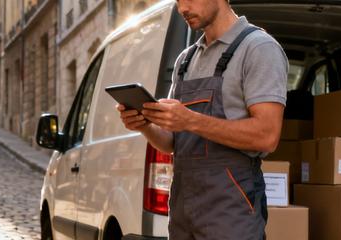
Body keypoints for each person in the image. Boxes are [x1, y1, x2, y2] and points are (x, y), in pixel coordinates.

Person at [116, 0, 288, 239]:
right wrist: (145, 125)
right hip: (183, 211)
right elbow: (171, 143)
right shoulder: (185, 60)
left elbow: (267, 136)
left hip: (231, 211)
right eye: (178, 1)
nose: (182, 8)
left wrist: (189, 120)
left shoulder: (258, 48)